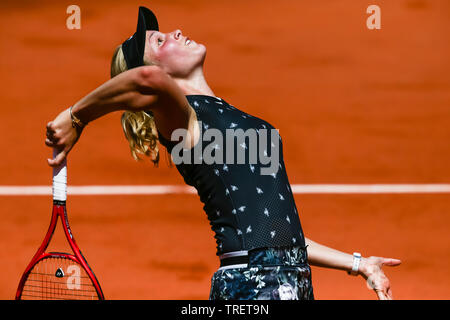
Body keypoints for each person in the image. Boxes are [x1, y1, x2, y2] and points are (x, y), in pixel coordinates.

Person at [45, 6, 401, 300]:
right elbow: (147, 83)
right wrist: (76, 116)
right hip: (251, 284)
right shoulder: (183, 118)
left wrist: (359, 264)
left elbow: (276, 233)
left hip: (285, 281)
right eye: (160, 40)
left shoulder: (230, 115)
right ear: (153, 69)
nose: (176, 32)